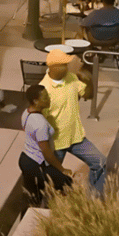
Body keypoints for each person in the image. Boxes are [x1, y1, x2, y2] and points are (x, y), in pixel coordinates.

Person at [40, 48, 107, 196]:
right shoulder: (44, 89)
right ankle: (46, 208)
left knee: (100, 162)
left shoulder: (71, 77)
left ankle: (94, 201)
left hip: (76, 138)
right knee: (50, 181)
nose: (66, 67)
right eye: (63, 65)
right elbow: (40, 123)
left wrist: (88, 81)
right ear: (52, 67)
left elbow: (88, 94)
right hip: (56, 144)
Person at [18, 84, 72, 202]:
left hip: (25, 159)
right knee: (67, 185)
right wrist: (62, 169)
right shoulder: (40, 123)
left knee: (32, 198)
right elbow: (46, 152)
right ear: (36, 101)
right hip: (36, 164)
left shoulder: (26, 113)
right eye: (45, 97)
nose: (49, 99)